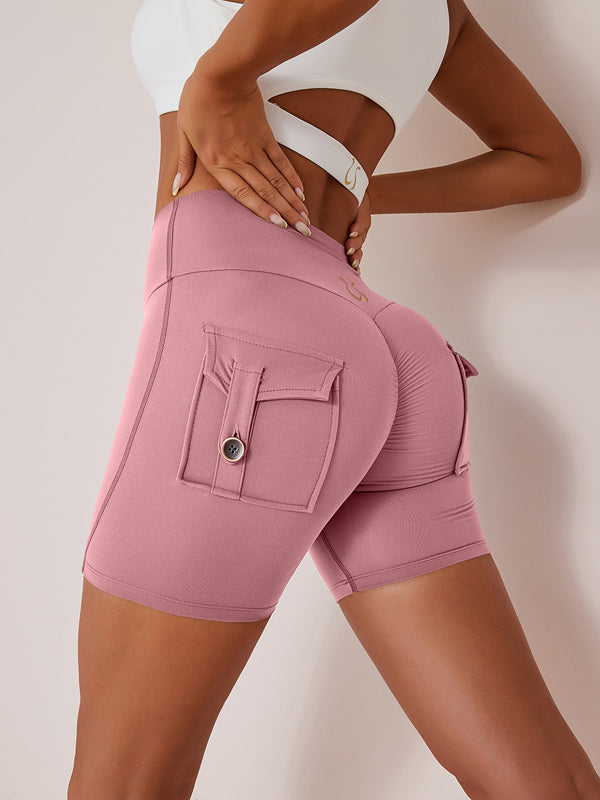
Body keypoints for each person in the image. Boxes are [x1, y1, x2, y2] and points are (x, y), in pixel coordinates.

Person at [68, 0, 599, 798]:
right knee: (541, 781)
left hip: (249, 339)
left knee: (120, 783)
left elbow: (548, 165)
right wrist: (361, 184)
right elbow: (546, 160)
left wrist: (223, 73)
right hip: (381, 345)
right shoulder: (443, 12)